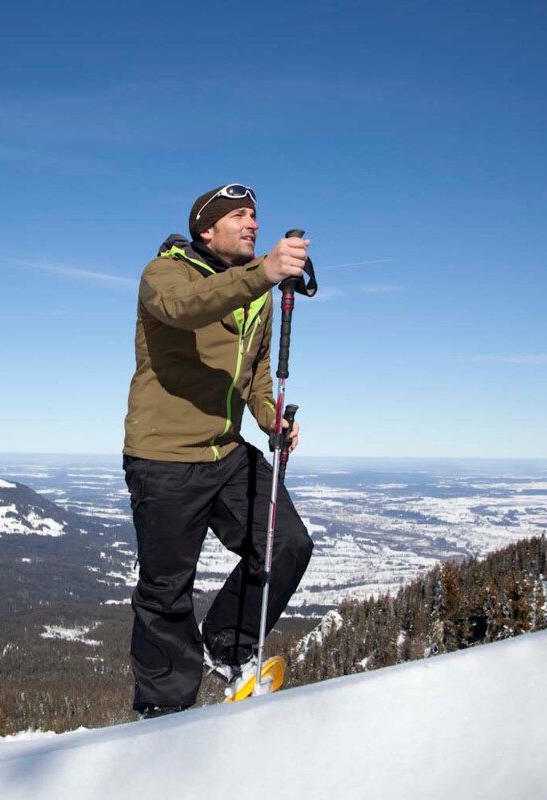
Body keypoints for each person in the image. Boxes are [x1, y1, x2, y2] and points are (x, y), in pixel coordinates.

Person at [123, 183, 314, 718]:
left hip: (226, 451)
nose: (253, 223)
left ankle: (226, 646)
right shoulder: (165, 273)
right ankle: (165, 709)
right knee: (166, 589)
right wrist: (264, 273)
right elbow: (185, 309)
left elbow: (252, 377)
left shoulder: (255, 292)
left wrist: (269, 417)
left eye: (255, 215)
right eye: (239, 216)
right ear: (206, 229)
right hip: (163, 457)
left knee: (287, 545)